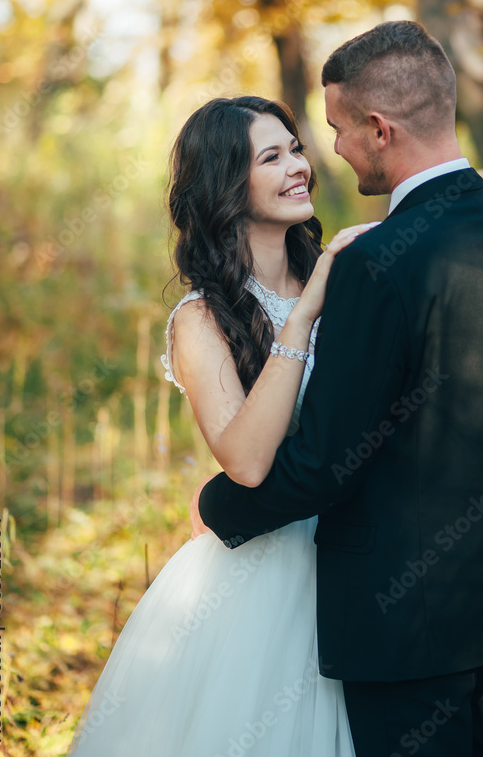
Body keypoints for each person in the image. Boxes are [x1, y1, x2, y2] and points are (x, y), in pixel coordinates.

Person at [196, 20, 483, 757]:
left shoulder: (375, 263)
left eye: (334, 129)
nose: (329, 149)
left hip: (404, 625)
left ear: (378, 129)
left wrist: (218, 507)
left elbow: (327, 461)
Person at [67, 95, 378, 756]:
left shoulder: (346, 275)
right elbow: (245, 462)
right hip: (262, 567)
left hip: (363, 547)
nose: (299, 166)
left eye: (295, 147)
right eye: (272, 157)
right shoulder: (199, 319)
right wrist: (300, 319)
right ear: (225, 187)